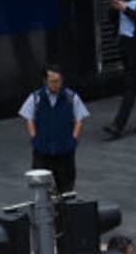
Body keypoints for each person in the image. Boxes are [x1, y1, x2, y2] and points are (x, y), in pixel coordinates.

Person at [18, 64, 88, 194]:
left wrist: (74, 139)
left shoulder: (70, 97)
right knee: (41, 191)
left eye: (59, 81)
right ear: (45, 81)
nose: (56, 84)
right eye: (53, 82)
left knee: (66, 190)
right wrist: (34, 138)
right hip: (42, 152)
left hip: (64, 152)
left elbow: (80, 119)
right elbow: (29, 118)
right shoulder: (36, 98)